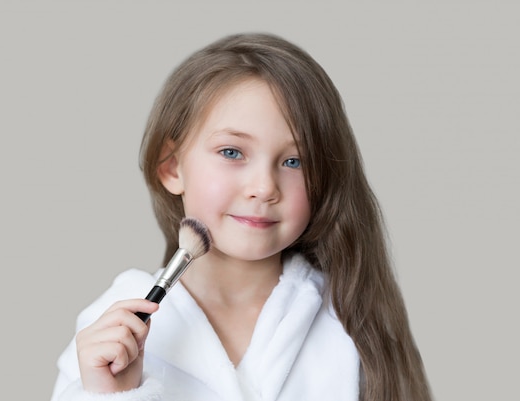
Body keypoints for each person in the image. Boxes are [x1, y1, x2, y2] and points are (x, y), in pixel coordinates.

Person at [51, 33, 432, 401]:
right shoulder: (107, 330)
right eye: (232, 152)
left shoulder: (349, 322)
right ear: (171, 167)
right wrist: (113, 396)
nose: (264, 187)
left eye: (294, 161)